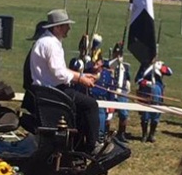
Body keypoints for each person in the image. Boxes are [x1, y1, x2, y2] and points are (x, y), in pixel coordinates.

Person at [29, 9, 102, 154]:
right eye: (66, 25)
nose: (69, 28)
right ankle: (93, 145)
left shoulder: (46, 41)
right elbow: (59, 73)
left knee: (83, 105)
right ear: (57, 27)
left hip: (47, 90)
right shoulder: (51, 44)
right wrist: (81, 79)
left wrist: (83, 75)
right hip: (53, 92)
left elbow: (60, 69)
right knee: (91, 105)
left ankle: (80, 143)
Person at [136, 58, 173, 143]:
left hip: (158, 93)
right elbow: (138, 79)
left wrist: (161, 68)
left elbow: (170, 72)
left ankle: (151, 134)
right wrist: (146, 83)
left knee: (156, 114)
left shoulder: (159, 65)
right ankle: (144, 135)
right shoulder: (144, 66)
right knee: (145, 114)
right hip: (146, 92)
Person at [108, 41, 131, 144]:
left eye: (120, 54)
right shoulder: (110, 64)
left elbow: (127, 78)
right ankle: (106, 132)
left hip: (122, 91)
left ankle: (121, 133)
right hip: (112, 90)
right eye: (116, 53)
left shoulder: (125, 66)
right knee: (109, 113)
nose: (118, 56)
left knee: (124, 114)